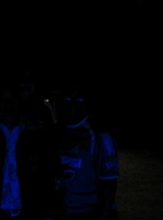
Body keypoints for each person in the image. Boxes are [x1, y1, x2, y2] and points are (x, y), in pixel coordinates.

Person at [0, 76, 54, 220]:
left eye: (11, 100)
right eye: (2, 100)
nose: (7, 105)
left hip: (28, 212)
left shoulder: (34, 134)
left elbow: (46, 173)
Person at [48, 79, 119, 220]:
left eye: (79, 99)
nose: (72, 103)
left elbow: (109, 184)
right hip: (63, 212)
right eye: (67, 99)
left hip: (89, 213)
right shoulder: (55, 132)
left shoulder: (100, 137)